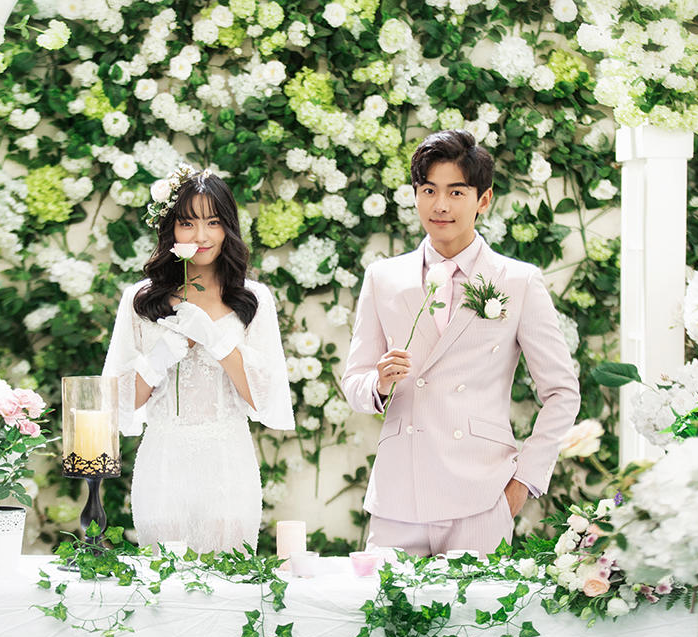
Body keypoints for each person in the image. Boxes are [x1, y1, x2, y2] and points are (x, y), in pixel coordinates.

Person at [341, 130, 580, 557]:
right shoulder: (383, 278)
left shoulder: (518, 281)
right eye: (429, 190)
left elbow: (562, 392)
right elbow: (354, 382)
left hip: (481, 495)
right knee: (384, 602)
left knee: (477, 605)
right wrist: (378, 384)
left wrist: (522, 483)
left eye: (456, 192)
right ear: (415, 195)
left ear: (483, 200)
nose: (441, 205)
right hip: (399, 495)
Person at [102, 167, 294, 554]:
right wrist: (158, 358)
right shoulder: (140, 300)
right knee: (163, 578)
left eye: (213, 222)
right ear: (170, 228)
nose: (201, 236)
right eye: (187, 223)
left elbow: (263, 397)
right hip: (163, 464)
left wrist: (216, 340)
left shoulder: (253, 299)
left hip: (228, 465)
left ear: (228, 228)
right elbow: (120, 401)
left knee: (229, 578)